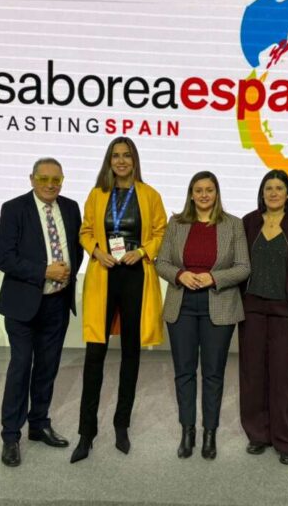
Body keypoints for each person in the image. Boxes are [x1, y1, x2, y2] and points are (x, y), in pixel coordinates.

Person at [71, 137, 167, 463]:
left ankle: (121, 425)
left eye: (127, 155)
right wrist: (97, 252)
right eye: (116, 156)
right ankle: (86, 432)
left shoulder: (150, 195)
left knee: (130, 353)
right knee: (94, 355)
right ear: (109, 161)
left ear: (134, 160)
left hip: (135, 276)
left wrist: (142, 251)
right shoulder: (97, 194)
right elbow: (85, 231)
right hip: (104, 274)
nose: (122, 161)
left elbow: (161, 232)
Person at [156, 171, 250, 460]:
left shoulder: (233, 224)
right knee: (184, 372)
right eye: (199, 190)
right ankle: (188, 432)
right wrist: (180, 275)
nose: (204, 195)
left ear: (217, 193)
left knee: (213, 373)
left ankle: (210, 433)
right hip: (182, 304)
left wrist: (213, 278)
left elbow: (243, 267)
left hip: (218, 305)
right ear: (191, 194)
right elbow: (161, 262)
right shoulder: (176, 223)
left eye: (209, 190)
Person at [0, 157, 83, 467]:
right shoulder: (13, 208)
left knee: (48, 366)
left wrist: (66, 275)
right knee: (21, 367)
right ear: (32, 179)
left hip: (57, 303)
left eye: (56, 179)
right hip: (22, 304)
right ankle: (10, 436)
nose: (50, 184)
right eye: (43, 178)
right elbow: (5, 258)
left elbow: (76, 249)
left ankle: (39, 424)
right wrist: (45, 271)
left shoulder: (70, 208)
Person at [239, 169, 288, 466]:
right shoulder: (248, 223)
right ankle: (258, 435)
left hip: (285, 313)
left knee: (283, 378)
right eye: (268, 188)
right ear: (262, 193)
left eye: (279, 188)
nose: (273, 193)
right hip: (251, 310)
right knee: (252, 375)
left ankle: (286, 440)